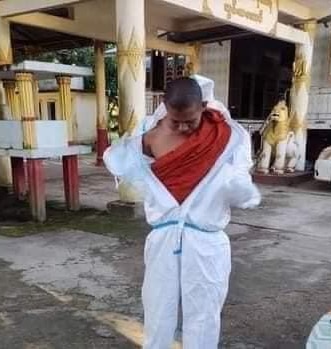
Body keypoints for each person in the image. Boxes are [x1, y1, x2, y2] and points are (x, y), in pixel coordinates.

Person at [104, 75, 261, 348]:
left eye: (190, 120)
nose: (183, 127)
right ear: (165, 107)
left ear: (203, 106)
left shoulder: (227, 137)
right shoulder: (150, 135)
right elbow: (117, 160)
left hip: (207, 242)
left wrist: (239, 190)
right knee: (156, 310)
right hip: (163, 240)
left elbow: (242, 182)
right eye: (176, 121)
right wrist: (138, 156)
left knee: (204, 314)